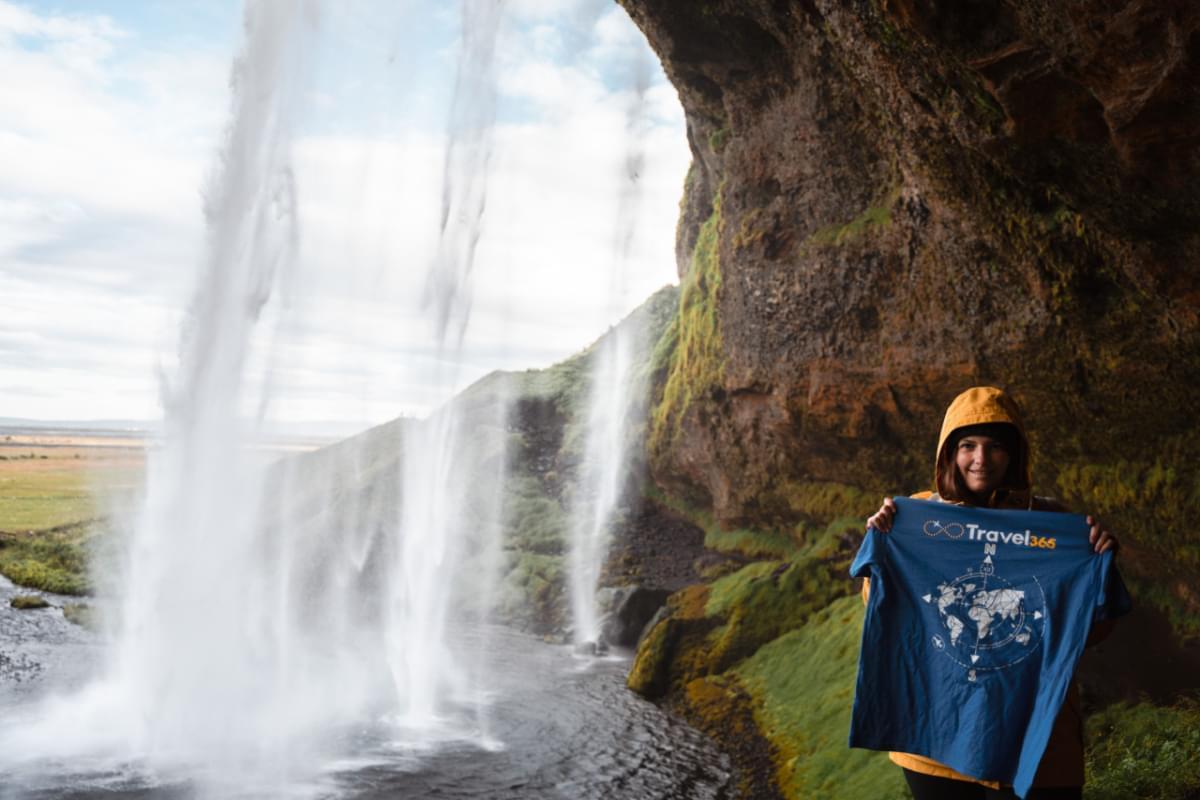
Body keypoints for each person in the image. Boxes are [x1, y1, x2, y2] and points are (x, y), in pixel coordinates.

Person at [862, 386, 1119, 800]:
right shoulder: (917, 516)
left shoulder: (1051, 524)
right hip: (938, 733)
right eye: (967, 445)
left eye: (995, 446)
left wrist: (1098, 569)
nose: (980, 460)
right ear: (949, 452)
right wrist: (885, 548)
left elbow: (1092, 633)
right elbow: (887, 610)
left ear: (1014, 453)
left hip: (1032, 734)